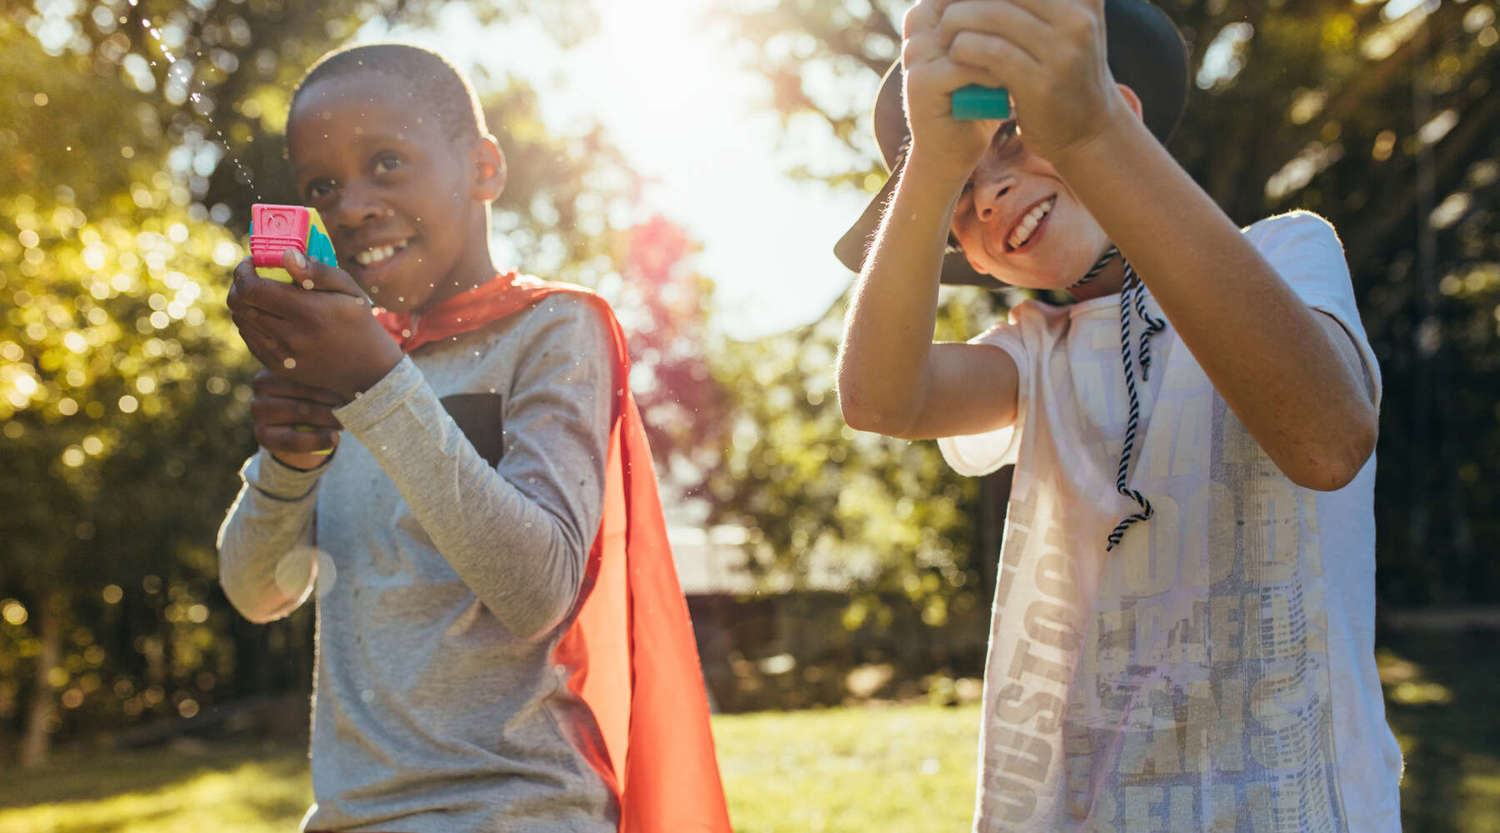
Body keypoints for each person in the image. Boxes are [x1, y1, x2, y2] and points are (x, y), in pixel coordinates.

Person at [834, 1, 1402, 830]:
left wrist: (1088, 132)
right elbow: (881, 398)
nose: (987, 196)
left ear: (1117, 112)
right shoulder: (1033, 353)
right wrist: (930, 162)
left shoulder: (1287, 255)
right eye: (960, 201)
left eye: (1010, 135)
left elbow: (1326, 440)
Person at [216, 43, 731, 833]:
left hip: (514, 810)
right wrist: (288, 463)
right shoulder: (348, 356)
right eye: (323, 186)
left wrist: (378, 385)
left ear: (484, 169)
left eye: (386, 163)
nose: (350, 207)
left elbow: (535, 591)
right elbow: (260, 591)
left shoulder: (553, 330)